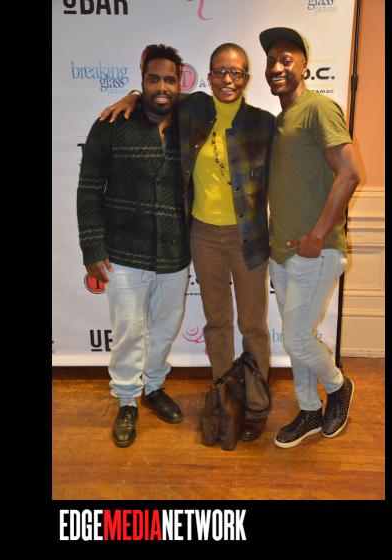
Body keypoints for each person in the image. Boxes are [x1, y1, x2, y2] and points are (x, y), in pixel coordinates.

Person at [100, 43, 275, 442]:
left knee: (252, 325)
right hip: (203, 235)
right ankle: (226, 397)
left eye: (236, 72)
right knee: (217, 323)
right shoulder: (193, 108)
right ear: (208, 76)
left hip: (248, 237)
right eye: (220, 71)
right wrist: (130, 95)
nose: (227, 79)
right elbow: (157, 95)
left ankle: (255, 402)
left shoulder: (263, 123)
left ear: (246, 78)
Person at [77, 44, 190, 448]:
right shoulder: (111, 124)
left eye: (170, 80)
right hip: (123, 252)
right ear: (142, 80)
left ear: (180, 83)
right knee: (129, 331)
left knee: (164, 329)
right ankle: (127, 399)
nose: (162, 87)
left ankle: (154, 386)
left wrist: (132, 95)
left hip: (175, 251)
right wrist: (92, 246)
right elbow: (89, 188)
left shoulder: (191, 122)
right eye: (153, 79)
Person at [257, 27, 362, 448]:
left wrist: (318, 236)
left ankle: (338, 386)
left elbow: (350, 173)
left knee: (298, 338)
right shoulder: (281, 120)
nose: (277, 67)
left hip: (315, 251)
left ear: (304, 65)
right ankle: (309, 410)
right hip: (283, 251)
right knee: (297, 339)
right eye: (271, 60)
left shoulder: (319, 108)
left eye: (286, 59)